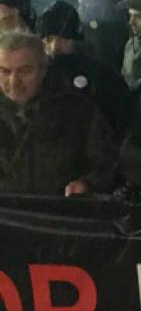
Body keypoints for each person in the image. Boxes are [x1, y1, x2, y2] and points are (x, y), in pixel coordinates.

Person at [0, 30, 116, 195]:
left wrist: (87, 184)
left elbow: (108, 165)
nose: (14, 82)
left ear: (43, 69)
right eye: (4, 71)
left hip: (60, 213)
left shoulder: (79, 111)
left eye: (25, 71)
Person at [36, 1, 135, 136]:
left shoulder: (101, 75)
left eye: (63, 39)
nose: (55, 47)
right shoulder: (35, 74)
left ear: (75, 38)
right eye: (48, 39)